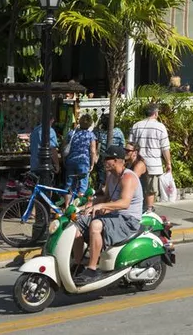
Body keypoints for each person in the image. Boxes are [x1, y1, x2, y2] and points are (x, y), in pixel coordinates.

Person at [72, 145, 143, 284]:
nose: (104, 161)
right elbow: (105, 198)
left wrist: (102, 206)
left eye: (107, 159)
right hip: (115, 217)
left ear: (117, 160)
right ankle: (78, 264)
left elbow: (124, 203)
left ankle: (92, 269)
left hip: (128, 220)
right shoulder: (111, 177)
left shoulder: (128, 177)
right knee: (77, 224)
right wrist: (83, 207)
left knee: (96, 225)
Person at [129, 104, 172, 211]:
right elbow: (165, 148)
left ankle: (135, 209)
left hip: (137, 164)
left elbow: (130, 146)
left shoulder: (136, 125)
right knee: (150, 190)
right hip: (153, 165)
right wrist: (168, 163)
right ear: (155, 113)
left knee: (135, 187)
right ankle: (149, 210)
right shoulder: (160, 127)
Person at [64, 114, 98, 205]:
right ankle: (77, 207)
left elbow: (64, 147)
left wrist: (65, 160)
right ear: (90, 124)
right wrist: (92, 164)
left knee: (69, 185)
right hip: (84, 162)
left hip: (71, 161)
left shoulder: (71, 133)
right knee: (83, 185)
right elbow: (93, 151)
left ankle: (67, 206)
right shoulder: (91, 135)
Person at [95, 114, 124, 192]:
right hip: (115, 158)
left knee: (102, 178)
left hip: (103, 158)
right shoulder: (119, 131)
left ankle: (103, 192)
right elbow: (122, 145)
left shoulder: (99, 132)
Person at [124, 141, 149, 210]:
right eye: (124, 150)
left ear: (135, 153)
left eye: (128, 151)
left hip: (138, 200)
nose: (125, 152)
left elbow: (131, 181)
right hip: (130, 196)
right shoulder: (127, 163)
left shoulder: (139, 165)